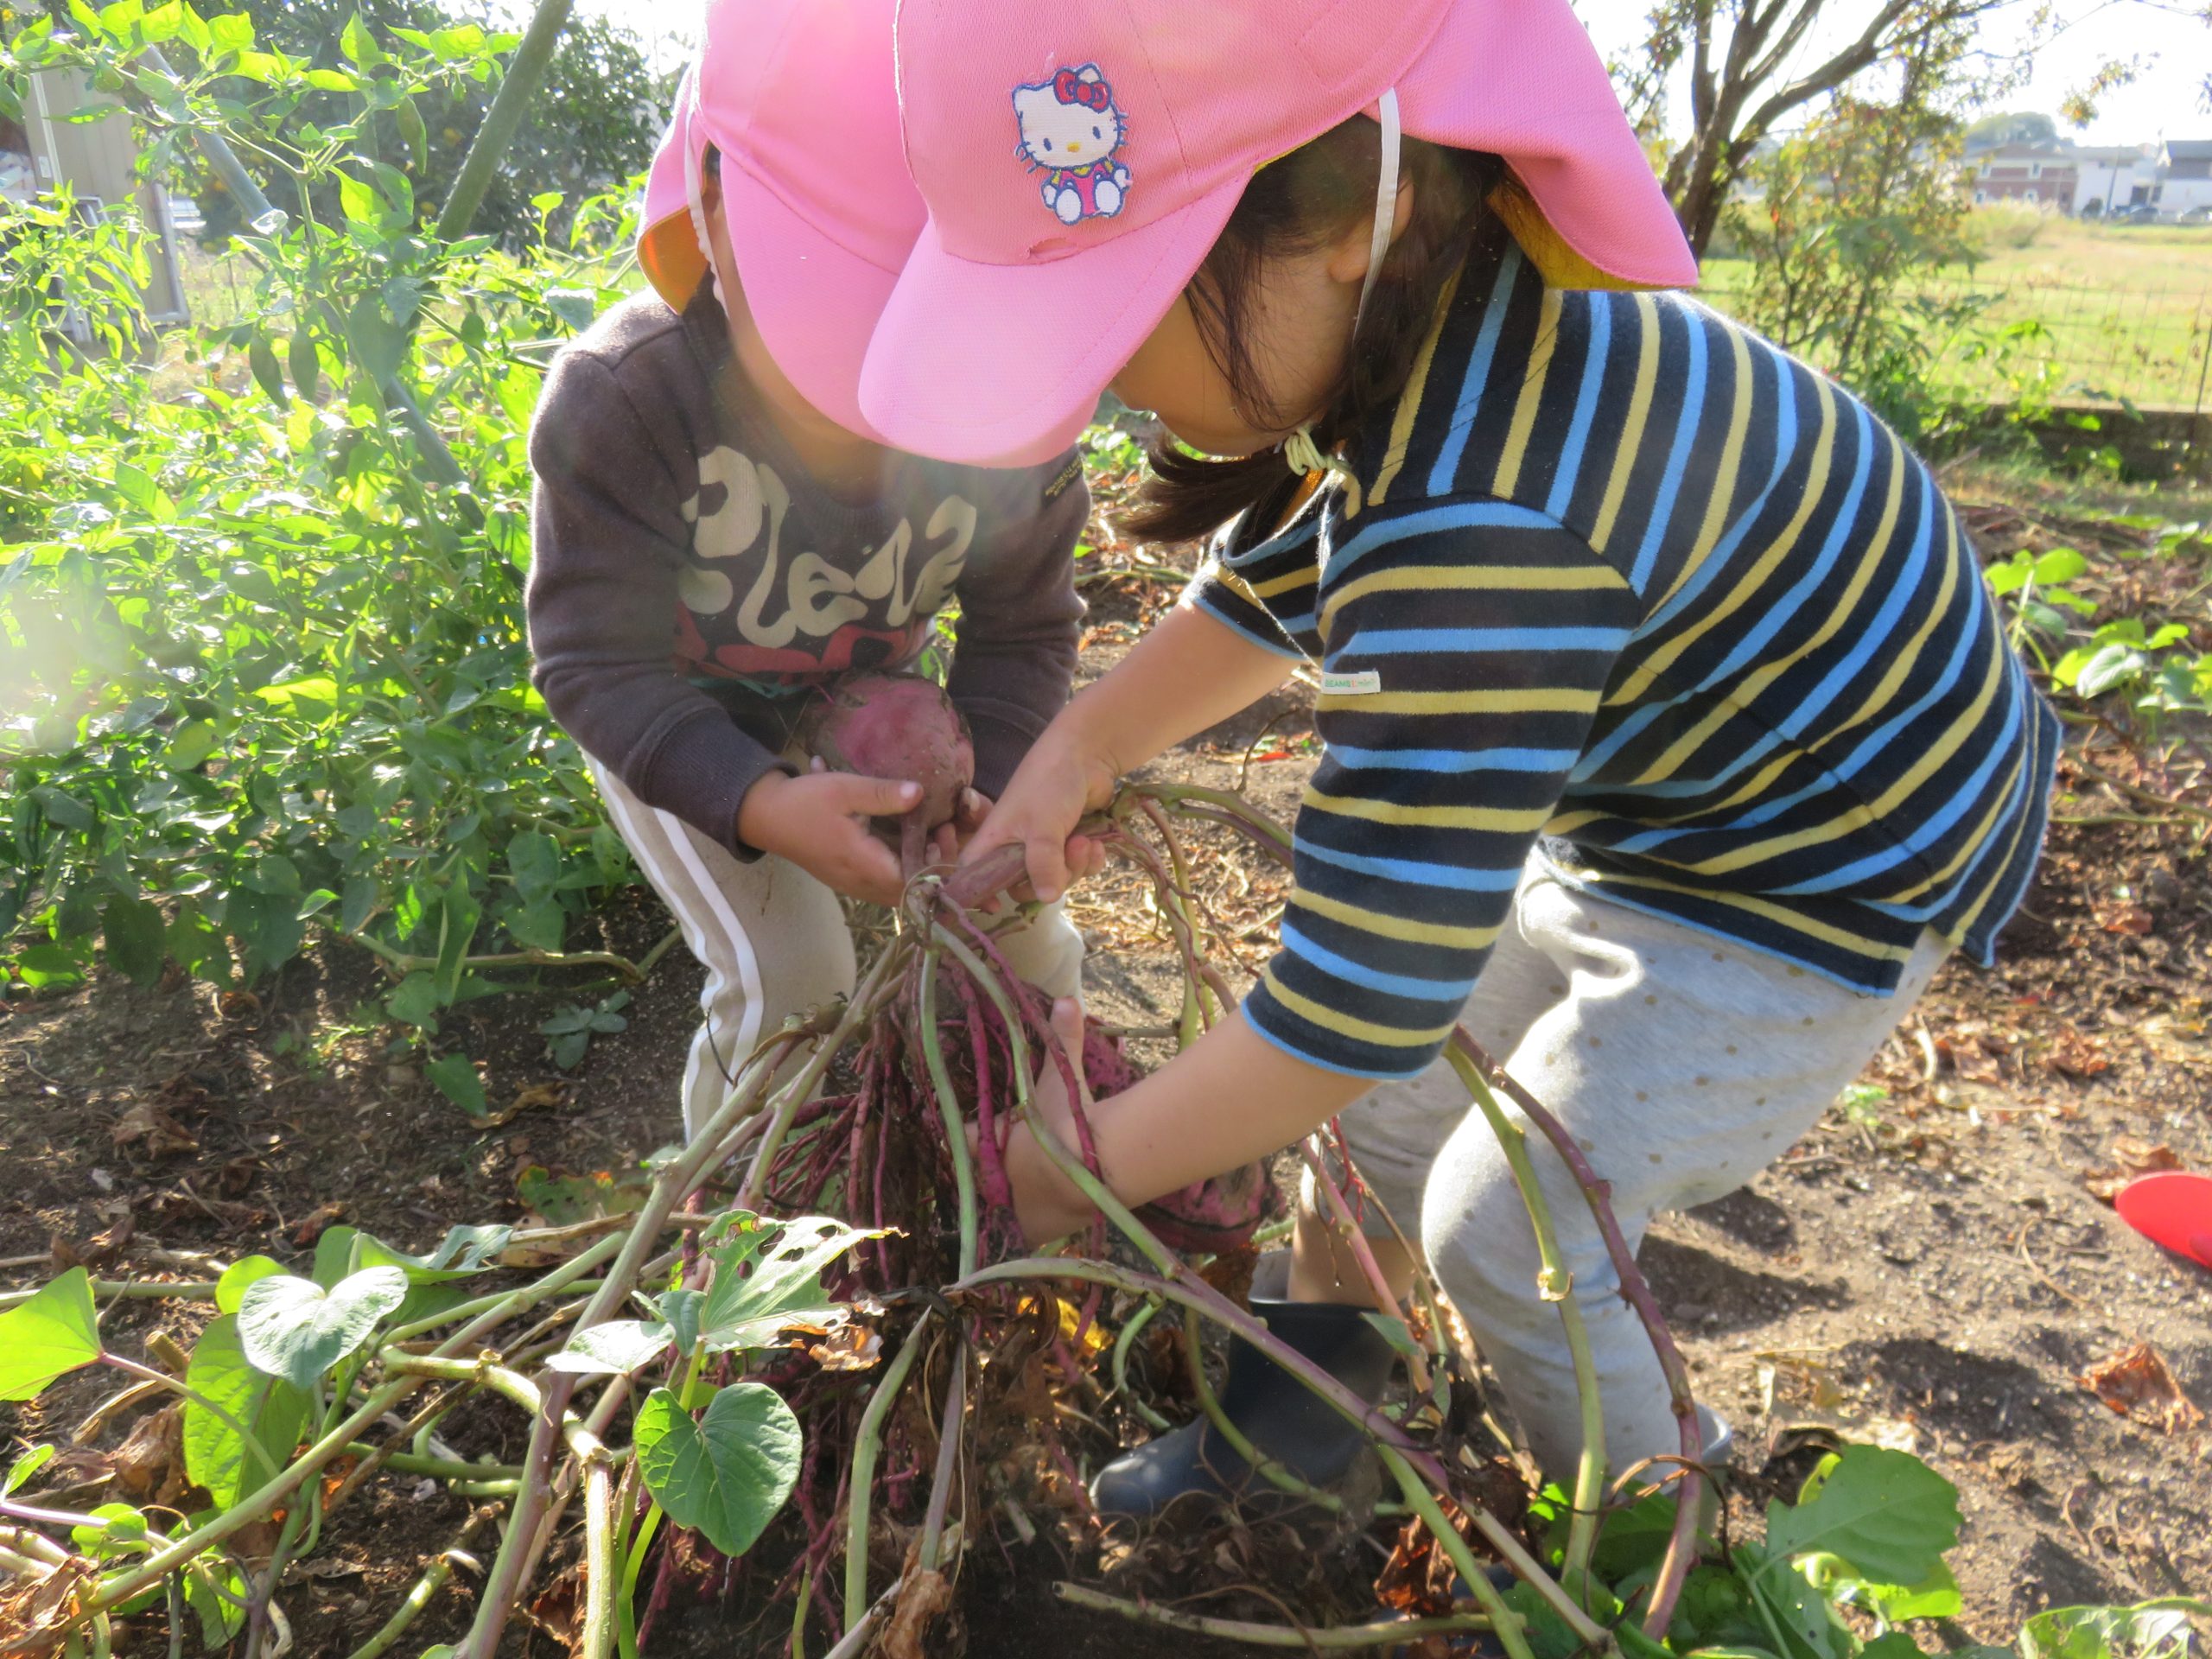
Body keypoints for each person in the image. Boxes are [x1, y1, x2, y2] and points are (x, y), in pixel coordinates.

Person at [855, 0, 2059, 1511]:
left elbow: (1346, 1010)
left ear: (1345, 219)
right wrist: (1083, 742)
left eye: (1124, 306)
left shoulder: (1483, 533)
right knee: (1382, 1127)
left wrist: (1050, 1168)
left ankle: (1668, 1537)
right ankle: (1307, 1427)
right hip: (1679, 788)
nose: (1101, 377)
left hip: (1824, 865)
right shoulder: (1451, 342)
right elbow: (1286, 577)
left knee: (1514, 1224)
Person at [525, 0, 1086, 1143]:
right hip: (681, 725)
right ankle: (741, 1237)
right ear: (715, 212)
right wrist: (761, 801)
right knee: (792, 979)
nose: (876, 415)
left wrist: (998, 783)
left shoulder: (1012, 422)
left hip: (870, 711)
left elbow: (1022, 633)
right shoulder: (630, 403)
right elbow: (594, 662)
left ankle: (1042, 1163)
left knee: (1023, 927)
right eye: (840, 334)